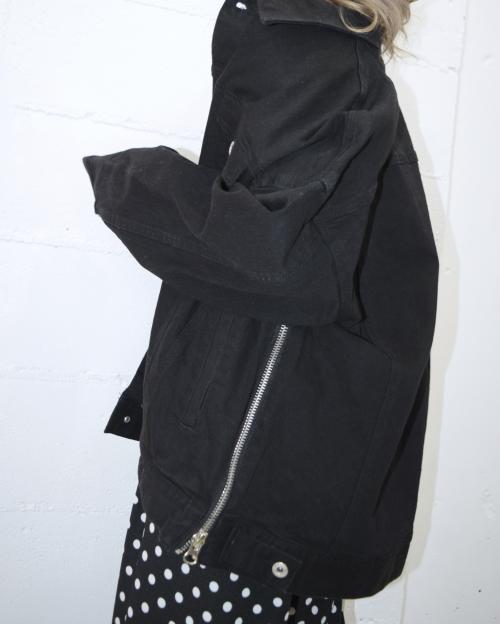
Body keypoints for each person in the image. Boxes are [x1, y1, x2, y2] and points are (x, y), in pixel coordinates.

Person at [82, 0, 439, 622]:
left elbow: (278, 260)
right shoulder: (322, 57)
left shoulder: (318, 60)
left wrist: (130, 180)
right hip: (261, 486)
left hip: (233, 505)